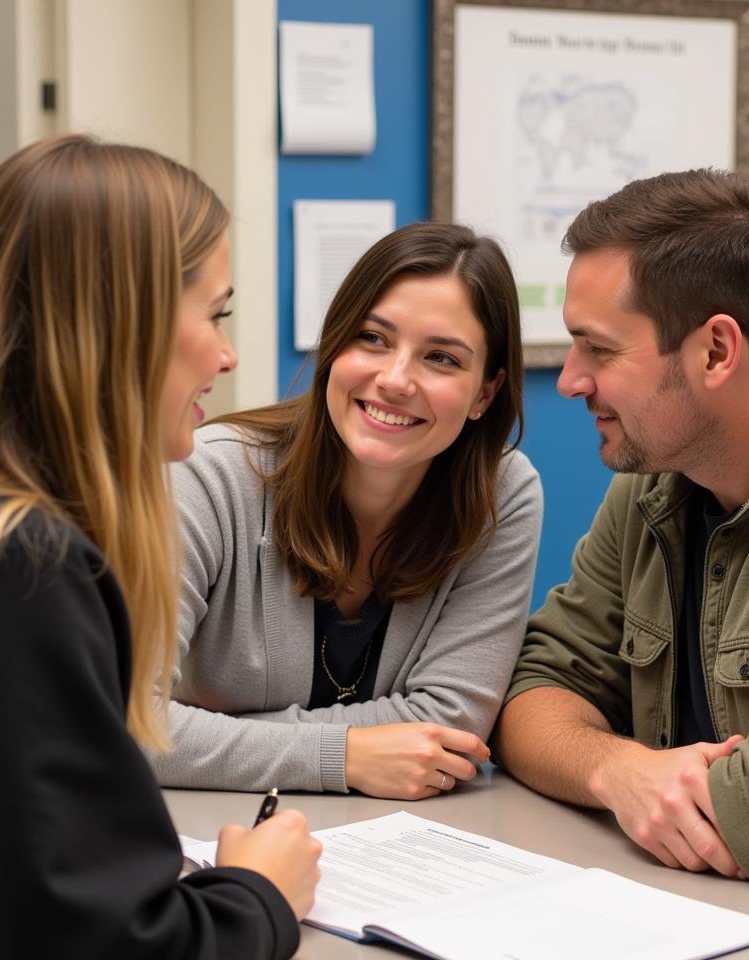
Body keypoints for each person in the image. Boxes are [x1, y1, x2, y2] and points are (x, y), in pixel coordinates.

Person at [0, 135, 322, 960]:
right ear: (129, 320)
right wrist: (258, 894)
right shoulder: (10, 567)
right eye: (216, 314)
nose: (228, 360)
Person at [494, 168, 749, 903]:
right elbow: (532, 691)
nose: (570, 381)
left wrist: (610, 764)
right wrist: (619, 770)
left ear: (716, 351)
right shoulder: (654, 487)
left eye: (599, 350)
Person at [151, 222, 543, 799]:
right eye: (373, 338)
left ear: (485, 393)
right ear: (334, 347)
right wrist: (342, 757)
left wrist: (210, 741)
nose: (395, 379)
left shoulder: (501, 496)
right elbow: (126, 723)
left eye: (440, 358)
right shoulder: (205, 477)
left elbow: (452, 727)